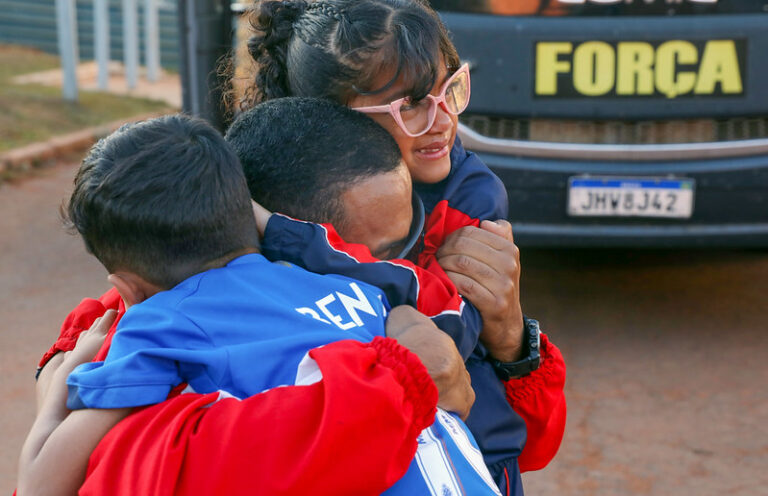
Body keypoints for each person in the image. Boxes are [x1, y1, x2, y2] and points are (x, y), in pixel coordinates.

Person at [19, 114, 500, 496]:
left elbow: (42, 484)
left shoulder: (159, 323)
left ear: (128, 288)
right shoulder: (360, 294)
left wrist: (59, 388)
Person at [241, 1, 567, 491]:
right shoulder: (276, 191)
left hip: (473, 459)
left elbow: (444, 336)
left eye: (448, 89)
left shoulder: (470, 194)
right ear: (330, 121)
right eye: (410, 104)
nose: (441, 120)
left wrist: (290, 237)